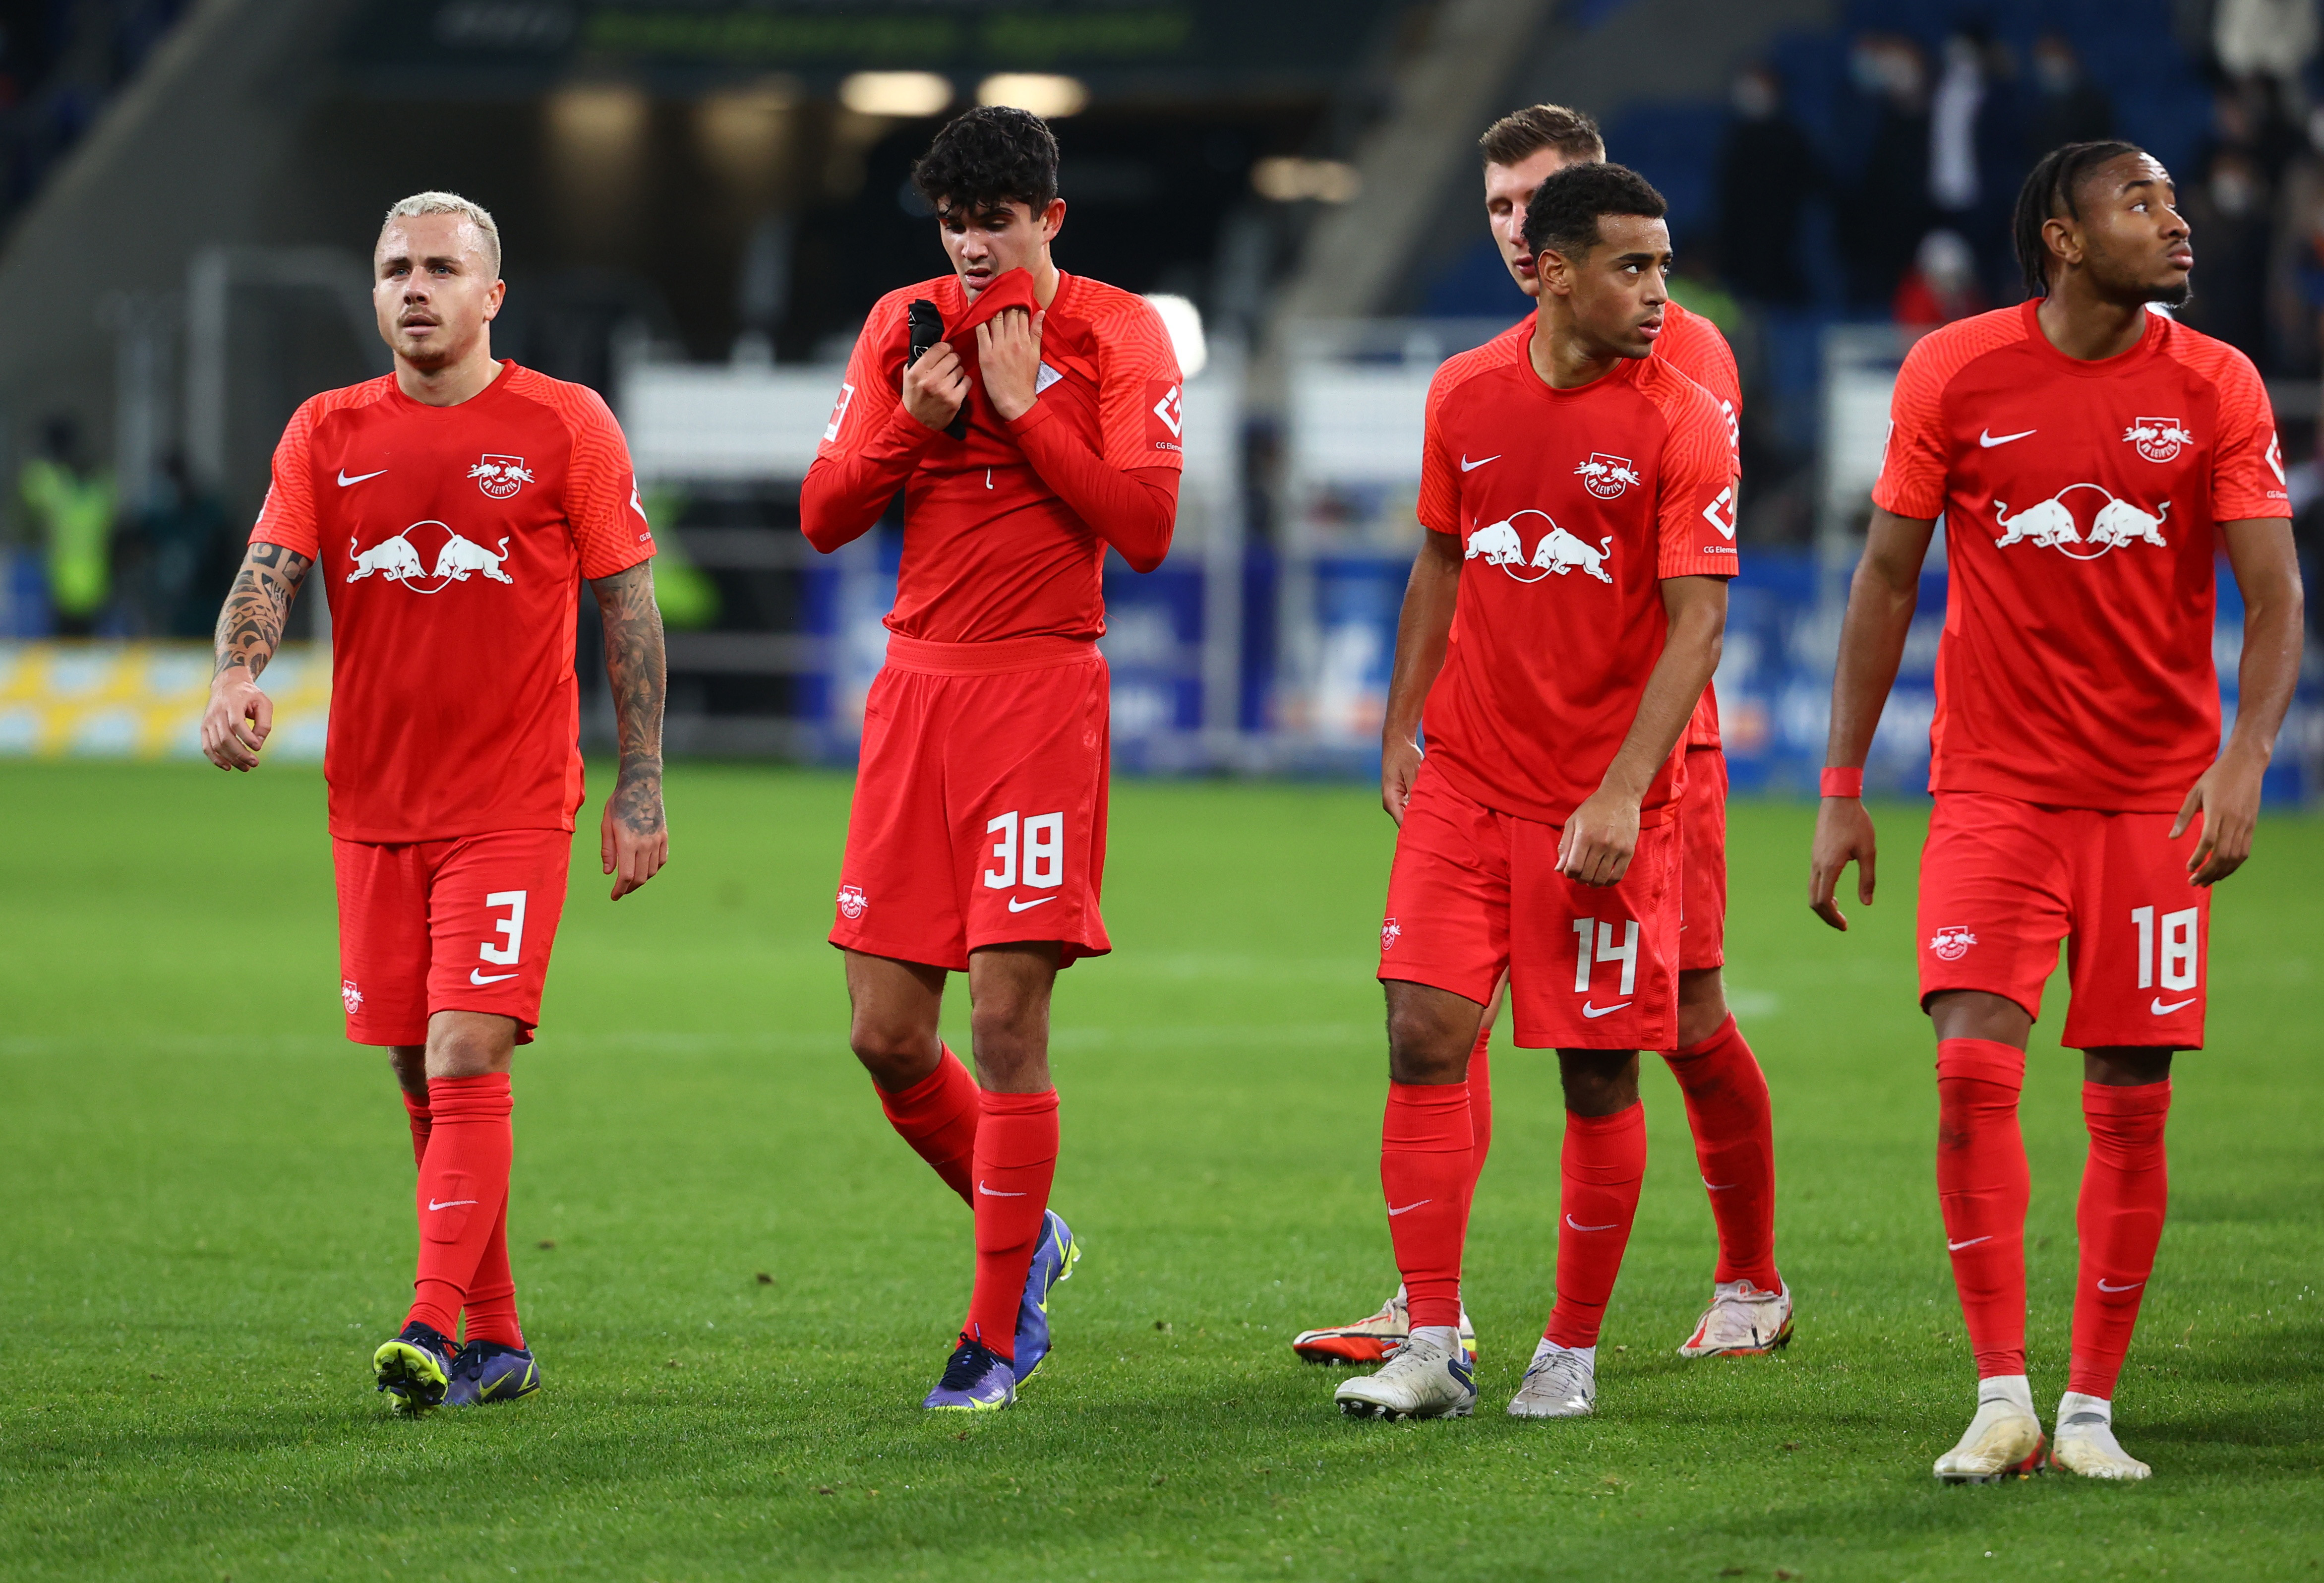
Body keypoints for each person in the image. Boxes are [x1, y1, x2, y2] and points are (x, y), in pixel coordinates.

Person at [1809, 142, 2304, 1482]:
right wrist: (1841, 788)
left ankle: (2086, 1411)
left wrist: (2243, 757)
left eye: (2171, 199)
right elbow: (1879, 581)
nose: (2175, 221)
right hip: (1992, 791)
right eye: (2139, 202)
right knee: (1968, 1067)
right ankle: (1997, 1395)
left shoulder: (2215, 383)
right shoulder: (1952, 372)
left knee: (2125, 1101)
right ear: (2061, 238)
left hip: (2151, 805)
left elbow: (2271, 600)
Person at [1294, 103, 1789, 1375]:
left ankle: (1748, 1275)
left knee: (1679, 1020)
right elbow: (1449, 558)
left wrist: (1629, 775)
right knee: (1431, 1017)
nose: (1517, 230)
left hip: (1657, 750)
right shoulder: (1477, 382)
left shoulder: (1687, 372)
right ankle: (1431, 1304)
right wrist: (1409, 720)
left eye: (1540, 204)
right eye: (1499, 207)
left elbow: (1691, 606)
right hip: (1497, 756)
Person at [199, 191, 670, 1411]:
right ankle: (501, 1336)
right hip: (371, 801)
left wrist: (642, 783)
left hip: (513, 800)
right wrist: (235, 677)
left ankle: (428, 1319)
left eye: (442, 269)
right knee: (418, 1064)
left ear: (490, 295)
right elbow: (268, 572)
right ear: (374, 293)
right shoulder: (326, 429)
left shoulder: (566, 425)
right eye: (396, 268)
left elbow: (626, 605)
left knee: (470, 1042)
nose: (416, 287)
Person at [799, 106, 1181, 1411]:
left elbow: (1142, 528)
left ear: (1048, 221)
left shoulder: (1116, 334)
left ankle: (993, 1328)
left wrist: (1022, 412)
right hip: (913, 697)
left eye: (996, 221)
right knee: (884, 1033)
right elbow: (821, 516)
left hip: (1036, 699)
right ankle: (1032, 1235)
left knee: (1005, 1017)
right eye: (954, 222)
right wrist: (909, 425)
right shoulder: (897, 326)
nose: (970, 246)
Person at [20, 415, 116, 636]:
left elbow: (30, 485)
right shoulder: (101, 492)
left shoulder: (52, 487)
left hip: (62, 589)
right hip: (97, 587)